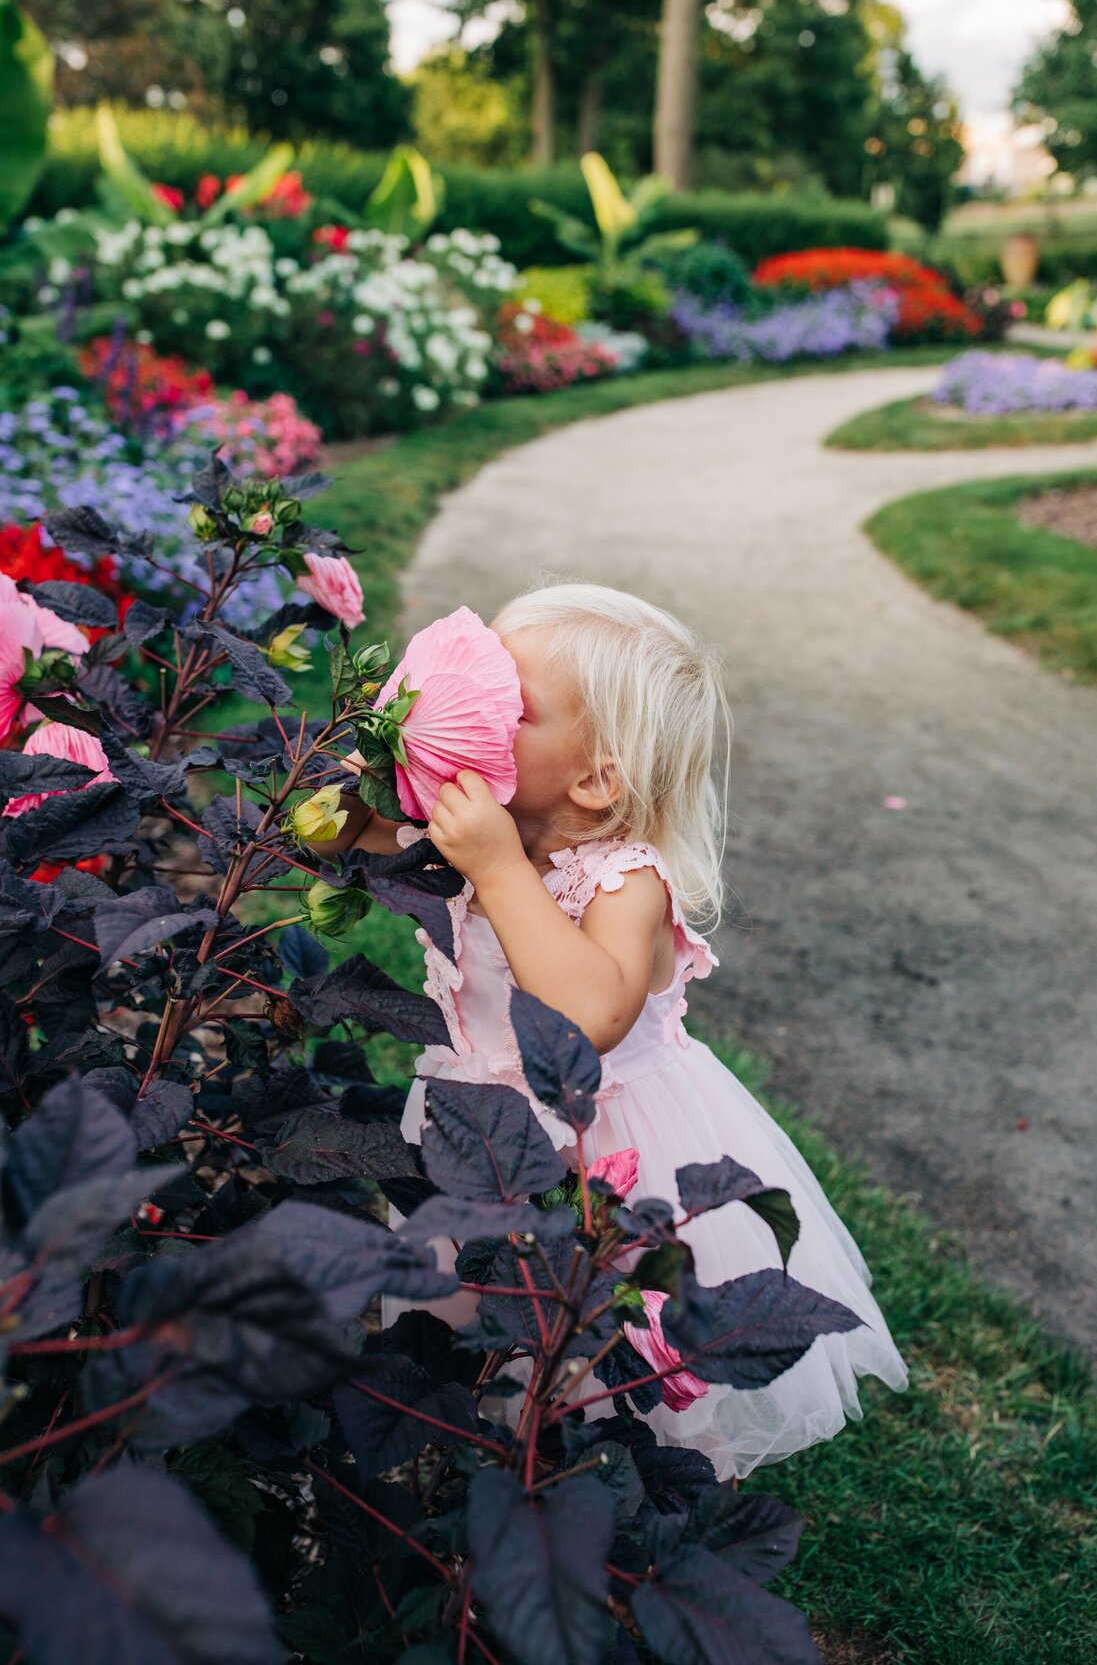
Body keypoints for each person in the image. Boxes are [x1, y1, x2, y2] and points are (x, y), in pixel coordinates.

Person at [317, 582, 908, 1480]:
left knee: (596, 1348)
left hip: (598, 1157)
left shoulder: (624, 880)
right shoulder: (479, 825)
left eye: (508, 704)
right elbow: (335, 836)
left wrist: (497, 869)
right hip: (471, 1132)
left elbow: (589, 1015)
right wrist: (379, 750)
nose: (480, 705)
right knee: (450, 1310)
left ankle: (604, 1489)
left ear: (595, 778)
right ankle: (446, 1456)